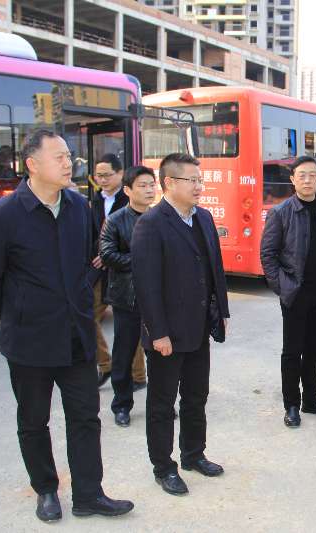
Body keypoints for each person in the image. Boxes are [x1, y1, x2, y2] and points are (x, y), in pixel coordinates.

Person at [0, 129, 134, 522]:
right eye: (59, 157)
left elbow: (92, 260)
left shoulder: (79, 206)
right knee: (33, 420)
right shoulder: (2, 215)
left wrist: (80, 293)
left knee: (86, 417)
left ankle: (89, 494)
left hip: (76, 335)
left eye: (68, 156)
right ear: (33, 164)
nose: (69, 163)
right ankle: (46, 489)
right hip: (29, 339)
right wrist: (20, 310)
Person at [132, 153, 229, 496]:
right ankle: (163, 467)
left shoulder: (203, 217)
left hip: (198, 326)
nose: (200, 186)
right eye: (193, 180)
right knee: (162, 404)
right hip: (167, 334)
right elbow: (146, 285)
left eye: (201, 180)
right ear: (170, 183)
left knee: (196, 395)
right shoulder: (151, 223)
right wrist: (158, 332)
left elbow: (215, 268)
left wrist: (223, 312)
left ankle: (193, 454)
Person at [260, 156, 316, 428]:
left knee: (315, 350)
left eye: (312, 175)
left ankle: (311, 400)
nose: (307, 180)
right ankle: (291, 404)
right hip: (295, 293)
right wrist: (283, 287)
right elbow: (268, 255)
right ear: (292, 179)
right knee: (292, 351)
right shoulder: (280, 212)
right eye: (301, 175)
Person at [99, 166, 157, 427]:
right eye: (142, 185)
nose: (149, 190)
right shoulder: (116, 220)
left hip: (157, 299)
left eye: (151, 185)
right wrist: (142, 260)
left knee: (160, 354)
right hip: (128, 298)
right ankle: (122, 404)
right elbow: (107, 254)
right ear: (128, 190)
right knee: (124, 353)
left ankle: (160, 403)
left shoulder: (161, 217)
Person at [90, 154, 146, 390]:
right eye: (98, 175)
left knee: (131, 326)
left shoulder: (130, 200)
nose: (102, 179)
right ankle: (105, 364)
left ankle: (138, 375)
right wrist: (101, 253)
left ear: (120, 174)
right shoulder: (95, 199)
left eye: (107, 175)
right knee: (86, 316)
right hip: (99, 270)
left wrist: (109, 255)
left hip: (125, 272)